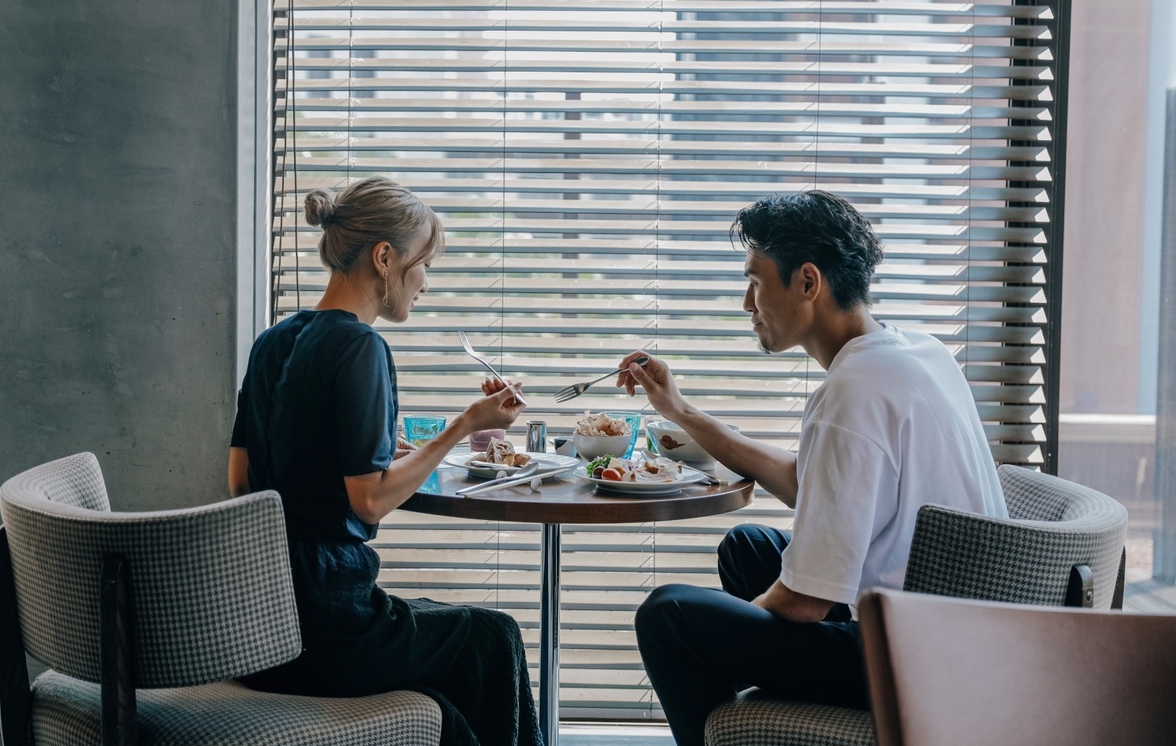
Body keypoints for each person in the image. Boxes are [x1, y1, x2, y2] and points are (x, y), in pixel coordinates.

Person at [615, 190, 1008, 746]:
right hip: (960, 638)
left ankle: (721, 736)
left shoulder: (853, 394)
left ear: (807, 282)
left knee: (669, 616)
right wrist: (678, 410)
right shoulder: (919, 353)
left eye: (754, 282)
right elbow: (811, 485)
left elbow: (804, 602)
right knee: (748, 545)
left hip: (910, 661)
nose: (746, 305)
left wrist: (719, 645)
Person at [229, 176, 542, 746]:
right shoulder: (361, 346)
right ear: (384, 258)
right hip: (329, 623)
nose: (425, 283)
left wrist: (367, 454)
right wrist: (467, 424)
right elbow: (369, 499)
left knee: (456, 668)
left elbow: (242, 482)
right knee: (492, 637)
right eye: (423, 264)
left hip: (261, 619)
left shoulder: (272, 341)